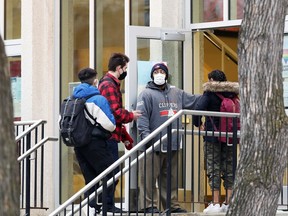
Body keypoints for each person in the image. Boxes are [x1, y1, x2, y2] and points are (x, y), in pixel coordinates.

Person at [136, 62, 200, 213]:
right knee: (149, 178)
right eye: (156, 71)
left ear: (166, 74)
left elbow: (194, 101)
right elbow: (142, 118)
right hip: (153, 144)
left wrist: (211, 96)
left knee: (170, 179)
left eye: (162, 71)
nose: (159, 74)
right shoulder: (146, 94)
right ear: (152, 75)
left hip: (173, 143)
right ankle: (148, 206)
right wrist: (146, 138)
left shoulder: (176, 92)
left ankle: (171, 206)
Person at [98, 53, 142, 213]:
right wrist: (131, 116)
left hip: (112, 135)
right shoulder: (109, 85)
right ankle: (107, 205)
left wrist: (125, 137)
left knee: (112, 172)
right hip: (108, 137)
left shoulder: (108, 83)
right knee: (113, 172)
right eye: (125, 68)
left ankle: (106, 205)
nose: (125, 71)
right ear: (118, 68)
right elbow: (115, 113)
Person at [192, 69, 239, 214]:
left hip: (213, 136)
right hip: (230, 137)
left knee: (214, 167)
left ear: (211, 79)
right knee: (230, 167)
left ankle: (216, 202)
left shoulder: (210, 93)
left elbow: (198, 108)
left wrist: (198, 124)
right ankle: (229, 202)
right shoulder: (232, 93)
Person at [71, 68, 116, 215]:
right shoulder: (98, 99)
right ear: (95, 80)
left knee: (90, 178)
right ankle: (102, 207)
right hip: (95, 143)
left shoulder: (72, 99)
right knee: (112, 173)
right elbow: (110, 124)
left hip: (79, 144)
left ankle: (91, 208)